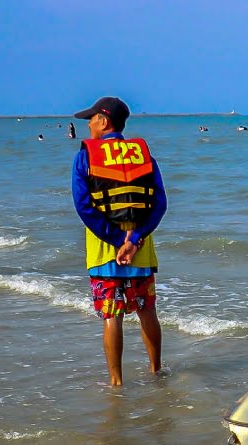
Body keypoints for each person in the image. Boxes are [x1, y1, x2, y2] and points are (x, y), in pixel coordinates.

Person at [71, 96, 168, 386]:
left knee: (112, 316)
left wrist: (116, 239)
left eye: (91, 118)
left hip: (105, 250)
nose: (88, 124)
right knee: (146, 310)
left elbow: (83, 206)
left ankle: (116, 382)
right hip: (140, 247)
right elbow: (160, 203)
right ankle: (156, 370)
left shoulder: (85, 155)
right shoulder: (143, 154)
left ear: (104, 120)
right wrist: (135, 239)